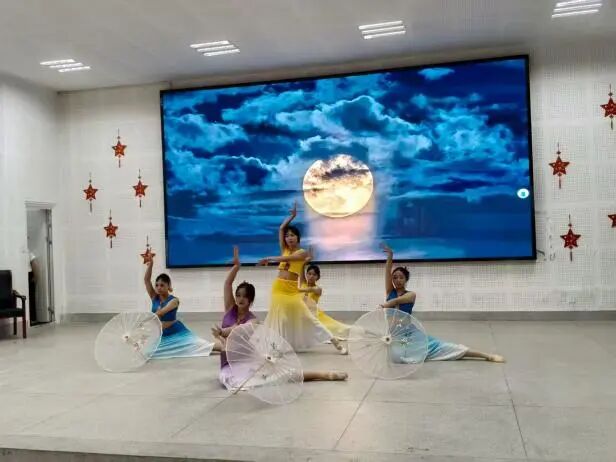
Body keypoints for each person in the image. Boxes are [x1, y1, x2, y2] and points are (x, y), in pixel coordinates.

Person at [212, 246, 347, 391]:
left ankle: (325, 374)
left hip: (246, 363)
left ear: (250, 300)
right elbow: (227, 284)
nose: (240, 299)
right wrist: (236, 267)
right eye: (238, 295)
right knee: (235, 381)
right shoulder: (230, 308)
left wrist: (222, 333)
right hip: (229, 368)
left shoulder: (253, 320)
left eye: (245, 296)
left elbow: (237, 330)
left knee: (285, 374)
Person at [380, 243, 505, 362]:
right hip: (395, 336)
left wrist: (387, 304)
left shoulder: (411, 295)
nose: (397, 280)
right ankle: (416, 353)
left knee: (447, 348)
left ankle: (487, 356)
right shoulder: (390, 291)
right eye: (395, 277)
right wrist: (390, 256)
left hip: (410, 335)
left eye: (401, 277)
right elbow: (387, 272)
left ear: (406, 280)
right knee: (396, 357)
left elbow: (397, 301)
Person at [258, 202, 347, 354]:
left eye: (292, 235)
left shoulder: (302, 253)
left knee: (308, 318)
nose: (289, 238)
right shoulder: (285, 250)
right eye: (287, 236)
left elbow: (289, 259)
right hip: (278, 289)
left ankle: (335, 342)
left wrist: (270, 258)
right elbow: (281, 229)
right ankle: (276, 347)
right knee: (280, 319)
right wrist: (291, 217)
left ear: (298, 238)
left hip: (292, 291)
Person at [143, 255, 214, 359]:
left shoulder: (174, 301)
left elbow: (161, 313)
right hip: (162, 336)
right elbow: (146, 280)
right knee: (147, 353)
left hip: (176, 332)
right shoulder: (155, 297)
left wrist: (143, 321)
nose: (158, 288)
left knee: (203, 346)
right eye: (157, 285)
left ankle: (226, 348)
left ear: (168, 286)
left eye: (162, 285)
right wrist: (151, 265)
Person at [299, 259, 350, 339]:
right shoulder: (303, 283)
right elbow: (301, 270)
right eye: (309, 274)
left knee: (339, 329)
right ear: (306, 274)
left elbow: (310, 289)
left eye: (314, 275)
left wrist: (295, 290)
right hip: (302, 315)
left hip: (313, 315)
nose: (311, 276)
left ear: (318, 277)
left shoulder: (318, 289)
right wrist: (304, 262)